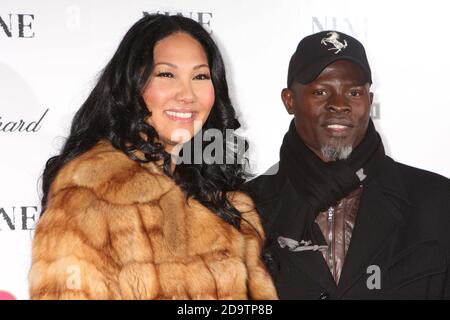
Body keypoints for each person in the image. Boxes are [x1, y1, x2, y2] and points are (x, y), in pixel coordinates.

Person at [28, 14, 277, 300]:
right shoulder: (91, 196)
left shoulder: (227, 201)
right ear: (133, 83)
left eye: (200, 76)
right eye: (166, 74)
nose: (187, 94)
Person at [246, 30, 450, 299]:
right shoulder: (244, 208)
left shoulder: (437, 200)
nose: (339, 104)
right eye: (320, 92)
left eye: (354, 92)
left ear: (369, 102)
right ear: (290, 101)